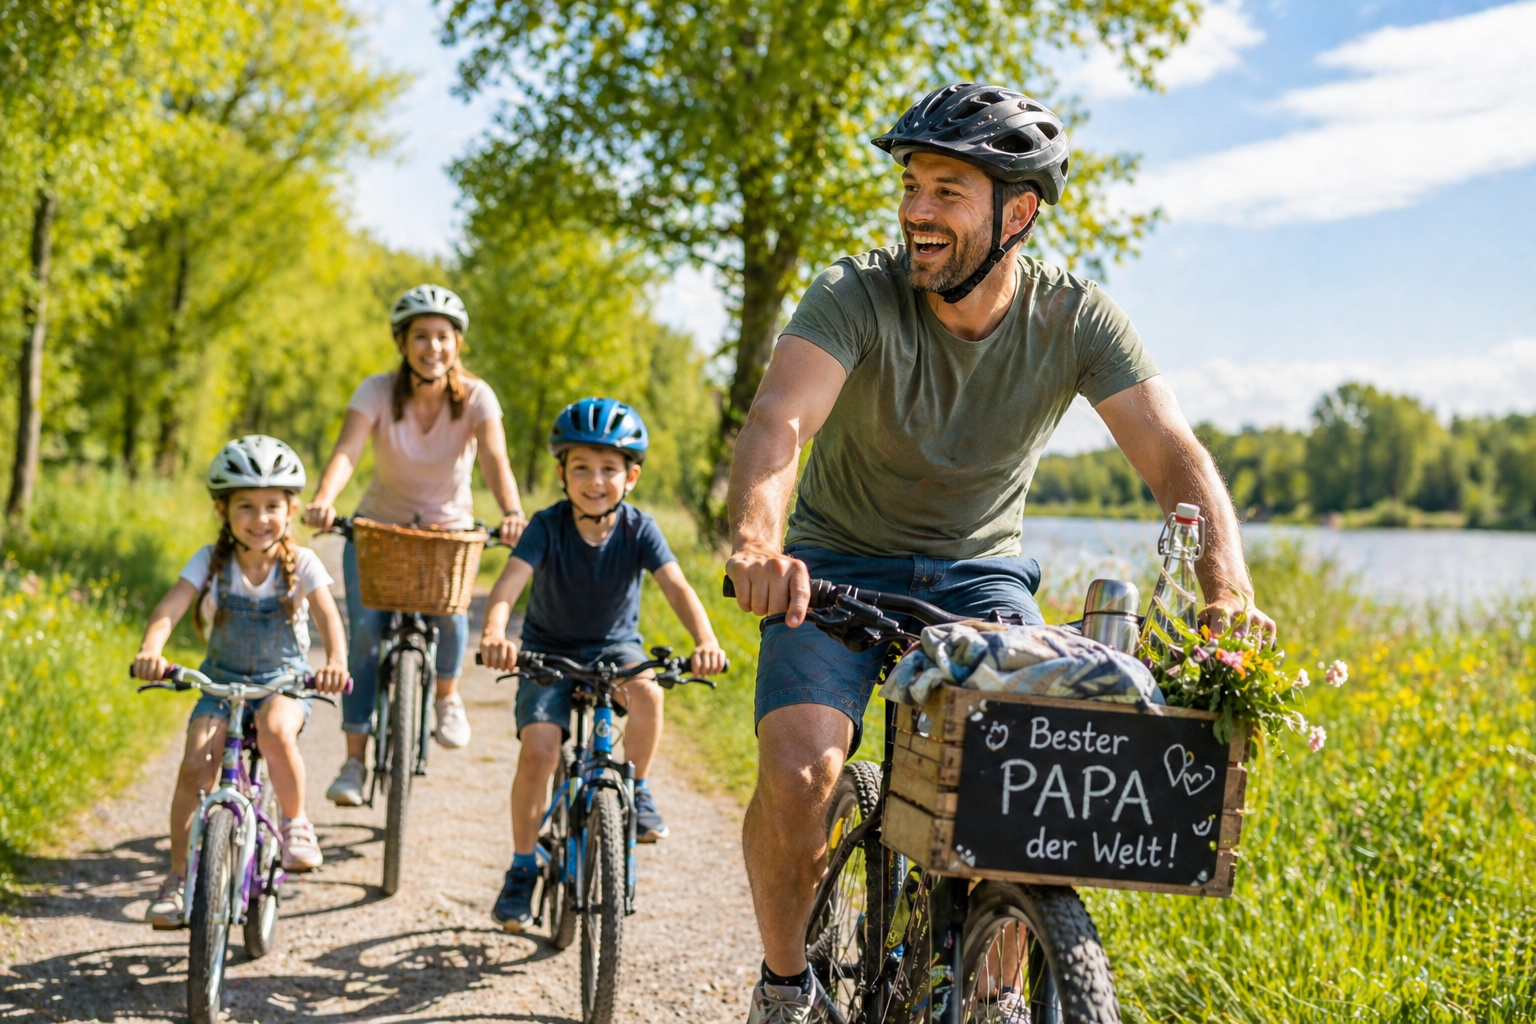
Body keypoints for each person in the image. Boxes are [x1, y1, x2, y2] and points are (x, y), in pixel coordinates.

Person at [723, 83, 1279, 1022]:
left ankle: (994, 991)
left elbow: (1172, 452)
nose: (914, 212)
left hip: (978, 574)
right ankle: (784, 984)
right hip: (833, 564)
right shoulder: (855, 294)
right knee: (804, 769)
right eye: (911, 185)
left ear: (1017, 211)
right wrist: (756, 543)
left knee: (1027, 792)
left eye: (946, 190)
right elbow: (782, 418)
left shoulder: (1075, 320)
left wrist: (1228, 591)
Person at [478, 397, 728, 932]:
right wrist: (495, 632)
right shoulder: (546, 527)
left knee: (650, 694)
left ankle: (634, 791)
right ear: (562, 473)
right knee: (540, 750)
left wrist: (705, 639)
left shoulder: (639, 529)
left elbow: (678, 587)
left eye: (609, 469)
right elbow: (507, 586)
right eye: (581, 468)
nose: (595, 481)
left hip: (616, 650)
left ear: (631, 476)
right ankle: (523, 866)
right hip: (547, 651)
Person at [305, 284, 527, 804]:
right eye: (421, 336)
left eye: (443, 337)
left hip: (448, 529)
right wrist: (323, 497)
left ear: (457, 343)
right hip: (379, 526)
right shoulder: (377, 391)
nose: (433, 347)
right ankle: (353, 764)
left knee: (451, 615)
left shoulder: (476, 396)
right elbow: (347, 450)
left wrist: (512, 511)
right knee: (363, 631)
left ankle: (446, 697)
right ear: (402, 342)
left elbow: (495, 459)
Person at [134, 436, 349, 929]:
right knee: (195, 764)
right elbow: (170, 607)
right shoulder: (210, 561)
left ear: (292, 508)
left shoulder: (304, 564)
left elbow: (329, 618)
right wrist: (151, 649)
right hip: (220, 680)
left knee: (275, 729)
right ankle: (177, 878)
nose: (260, 518)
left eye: (273, 505)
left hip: (283, 679)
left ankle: (296, 825)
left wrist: (335, 660)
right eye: (246, 506)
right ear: (222, 509)